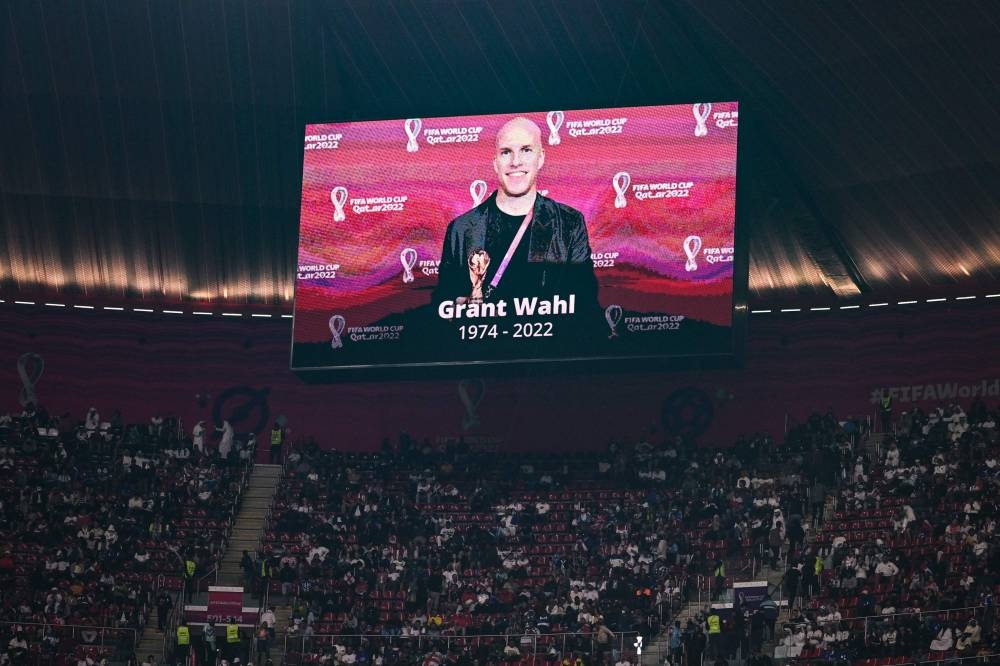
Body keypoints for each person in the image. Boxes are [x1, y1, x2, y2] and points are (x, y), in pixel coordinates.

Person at [433, 117, 602, 338]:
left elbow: (583, 303)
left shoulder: (569, 224)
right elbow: (443, 309)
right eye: (506, 152)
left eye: (526, 150)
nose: (515, 162)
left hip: (547, 360)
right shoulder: (461, 229)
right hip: (481, 359)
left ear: (540, 158)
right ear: (495, 162)